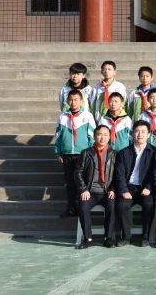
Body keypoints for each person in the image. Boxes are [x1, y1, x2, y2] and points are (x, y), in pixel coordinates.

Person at [114, 120, 156, 247]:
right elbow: (119, 174)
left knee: (149, 204)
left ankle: (145, 237)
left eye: (143, 132)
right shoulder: (124, 152)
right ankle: (126, 237)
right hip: (129, 188)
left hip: (146, 188)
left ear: (148, 134)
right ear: (132, 134)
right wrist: (124, 190)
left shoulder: (155, 152)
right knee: (122, 205)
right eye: (137, 131)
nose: (140, 134)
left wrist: (149, 187)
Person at [54, 89, 96, 218]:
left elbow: (92, 135)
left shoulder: (87, 116)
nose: (73, 102)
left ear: (81, 101)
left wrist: (90, 152)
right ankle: (71, 208)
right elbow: (58, 136)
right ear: (67, 101)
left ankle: (81, 207)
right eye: (71, 100)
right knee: (70, 182)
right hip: (67, 155)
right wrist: (58, 152)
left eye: (76, 99)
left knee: (82, 182)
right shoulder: (63, 117)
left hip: (82, 155)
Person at [75, 125, 116, 249]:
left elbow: (118, 175)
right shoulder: (86, 153)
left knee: (112, 205)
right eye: (99, 134)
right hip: (90, 192)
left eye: (105, 135)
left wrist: (113, 189)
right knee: (83, 206)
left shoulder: (113, 154)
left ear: (109, 137)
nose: (102, 137)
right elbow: (78, 172)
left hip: (106, 192)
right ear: (94, 136)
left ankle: (108, 237)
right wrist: (83, 189)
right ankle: (88, 238)